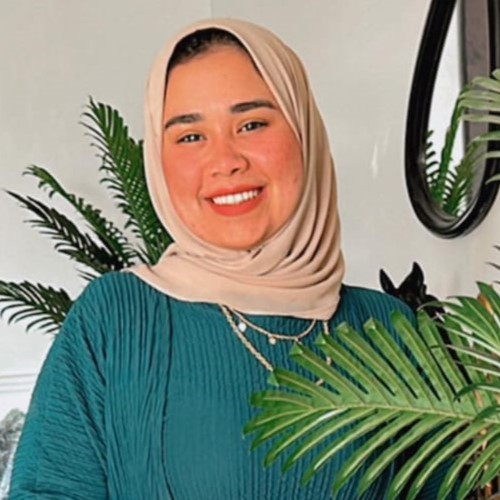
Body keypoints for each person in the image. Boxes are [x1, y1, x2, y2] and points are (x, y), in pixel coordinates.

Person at [8, 18, 441, 500]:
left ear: (305, 133)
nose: (226, 161)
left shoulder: (388, 329)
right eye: (190, 136)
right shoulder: (116, 319)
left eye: (251, 124)